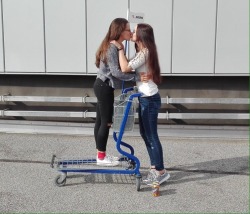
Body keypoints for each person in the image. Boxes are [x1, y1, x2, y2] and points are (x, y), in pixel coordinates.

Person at [110, 23, 170, 185]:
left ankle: (161, 171)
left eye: (135, 31)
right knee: (145, 135)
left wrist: (120, 49)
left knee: (151, 136)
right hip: (145, 98)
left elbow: (124, 67)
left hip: (149, 99)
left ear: (142, 35)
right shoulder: (142, 52)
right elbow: (129, 68)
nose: (132, 33)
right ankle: (154, 168)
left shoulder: (145, 52)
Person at [94, 18, 139, 167]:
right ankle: (101, 157)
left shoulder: (116, 46)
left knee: (101, 121)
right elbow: (116, 72)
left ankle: (101, 154)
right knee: (105, 122)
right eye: (128, 29)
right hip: (104, 87)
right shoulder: (112, 47)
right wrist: (136, 78)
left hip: (103, 86)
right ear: (120, 31)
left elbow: (122, 68)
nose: (130, 32)